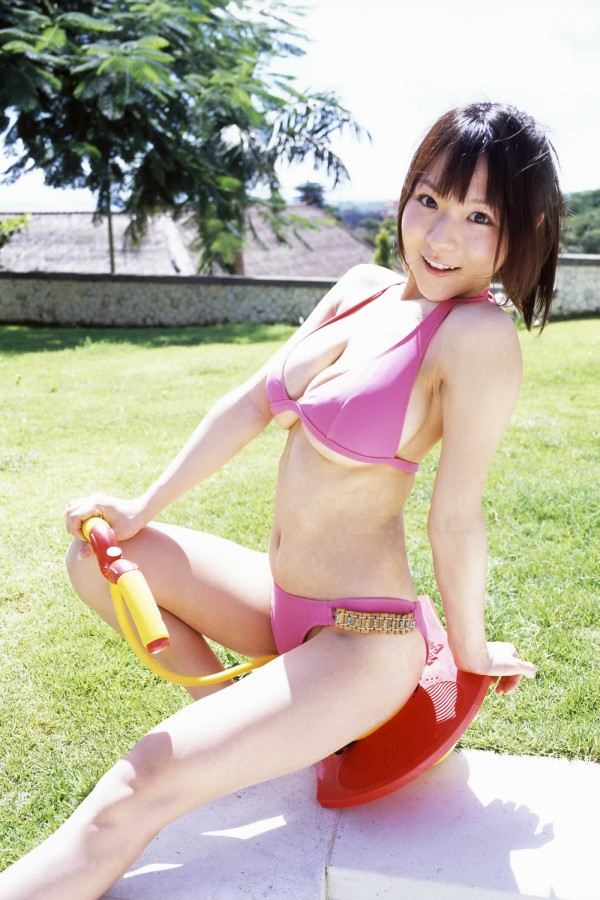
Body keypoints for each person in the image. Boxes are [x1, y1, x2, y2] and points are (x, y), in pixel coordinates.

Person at [0, 101, 563, 900]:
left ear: (521, 230)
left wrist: (470, 655)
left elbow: (456, 518)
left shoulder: (475, 337)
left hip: (363, 640)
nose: (441, 237)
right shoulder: (363, 289)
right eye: (429, 200)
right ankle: (244, 726)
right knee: (103, 559)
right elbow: (249, 403)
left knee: (134, 787)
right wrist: (140, 507)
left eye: (480, 217)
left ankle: (244, 737)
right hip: (283, 602)